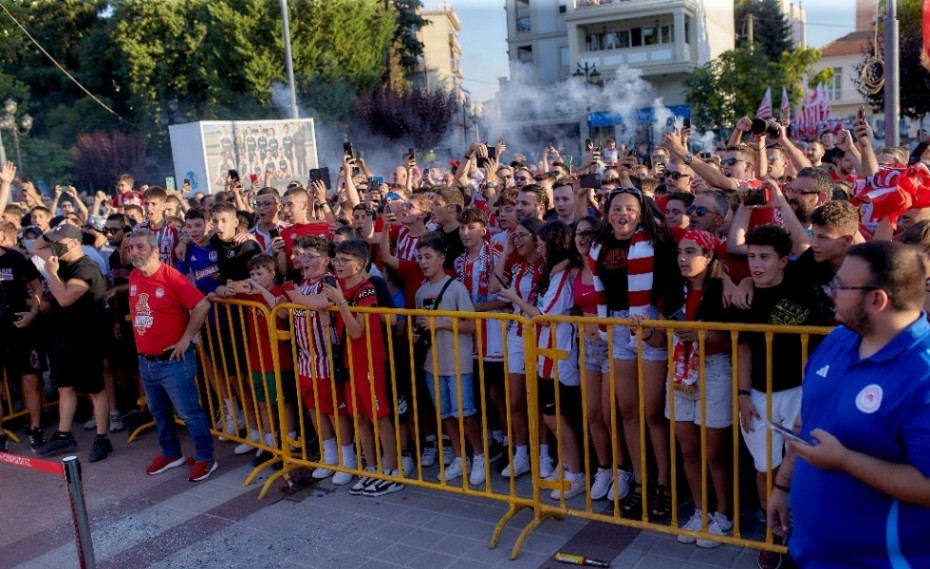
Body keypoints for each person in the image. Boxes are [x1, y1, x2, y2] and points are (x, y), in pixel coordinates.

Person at [768, 241, 930, 568]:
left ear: (876, 300)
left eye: (841, 286)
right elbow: (806, 420)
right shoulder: (839, 339)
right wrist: (783, 485)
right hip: (808, 552)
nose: (831, 292)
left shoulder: (922, 373)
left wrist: (845, 461)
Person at [127, 228, 216, 481]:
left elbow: (202, 305)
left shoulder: (172, 277)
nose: (134, 252)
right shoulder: (134, 276)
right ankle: (171, 453)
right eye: (131, 247)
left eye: (140, 247)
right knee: (159, 412)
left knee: (189, 412)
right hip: (146, 361)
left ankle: (205, 457)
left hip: (174, 362)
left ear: (155, 251)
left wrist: (186, 338)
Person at [666, 230, 736, 548]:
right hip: (679, 372)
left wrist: (703, 337)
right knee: (689, 450)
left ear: (708, 256)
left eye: (691, 251)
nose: (683, 258)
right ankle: (700, 510)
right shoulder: (672, 290)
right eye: (680, 251)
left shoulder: (724, 289)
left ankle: (724, 515)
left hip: (714, 371)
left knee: (714, 453)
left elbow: (736, 341)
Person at [30, 224, 112, 462]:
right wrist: (50, 233)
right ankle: (64, 434)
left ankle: (102, 438)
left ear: (75, 243)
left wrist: (52, 273)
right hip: (64, 337)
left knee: (95, 390)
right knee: (64, 386)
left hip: (86, 338)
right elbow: (37, 246)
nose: (53, 246)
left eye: (59, 241)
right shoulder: (60, 258)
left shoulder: (87, 268)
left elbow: (64, 298)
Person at [413, 236, 483, 485]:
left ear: (442, 259)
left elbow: (471, 324)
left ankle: (479, 456)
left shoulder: (455, 288)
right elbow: (421, 328)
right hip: (432, 363)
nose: (423, 261)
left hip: (458, 361)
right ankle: (459, 457)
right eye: (420, 257)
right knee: (445, 415)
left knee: (465, 413)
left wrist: (441, 323)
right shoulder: (420, 292)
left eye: (428, 256)